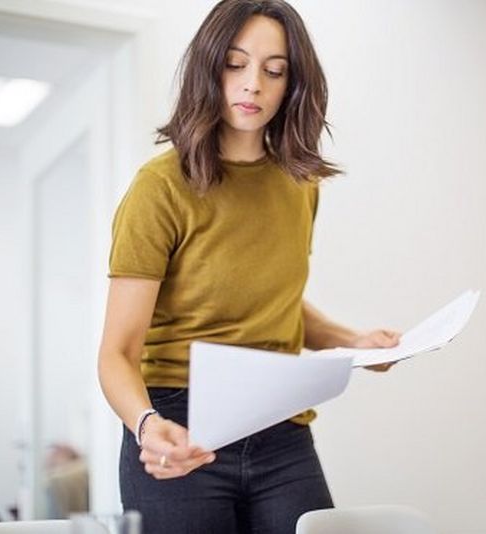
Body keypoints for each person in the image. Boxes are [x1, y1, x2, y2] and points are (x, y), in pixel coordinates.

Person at [97, 1, 400, 533]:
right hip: (178, 422)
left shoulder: (300, 185)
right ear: (208, 69)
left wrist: (351, 342)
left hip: (279, 428)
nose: (253, 84)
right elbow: (117, 354)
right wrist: (147, 426)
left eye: (274, 70)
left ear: (292, 84)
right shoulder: (160, 187)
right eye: (235, 64)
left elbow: (270, 300)